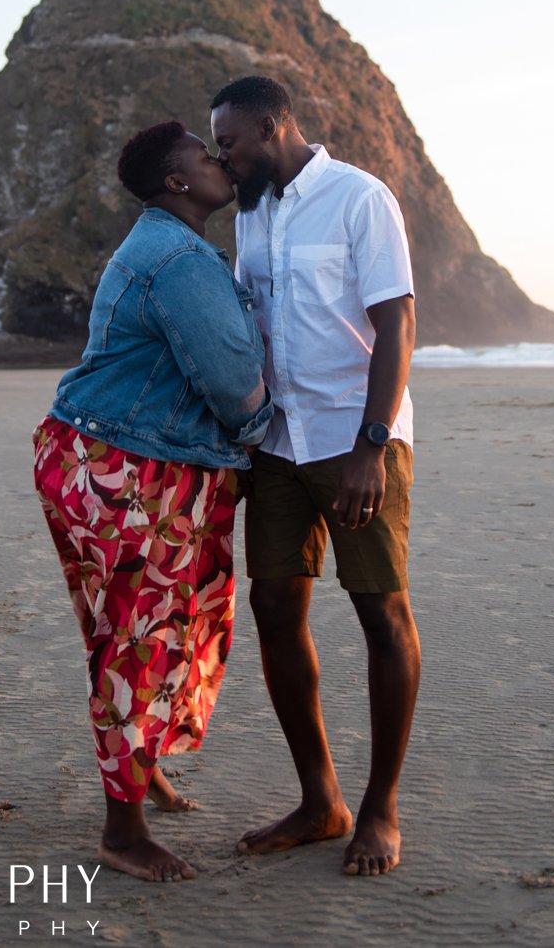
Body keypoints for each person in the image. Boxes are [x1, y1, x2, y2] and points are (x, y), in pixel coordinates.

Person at [33, 121, 272, 883]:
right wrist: (267, 438)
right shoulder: (177, 260)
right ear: (178, 182)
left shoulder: (161, 244)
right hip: (131, 469)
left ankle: (140, 770)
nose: (219, 161)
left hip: (103, 455)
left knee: (136, 630)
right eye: (205, 157)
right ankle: (121, 832)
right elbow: (232, 380)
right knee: (138, 639)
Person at [209, 75, 420, 878]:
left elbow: (396, 321)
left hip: (354, 440)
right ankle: (319, 799)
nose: (224, 159)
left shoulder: (360, 199)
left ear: (271, 125)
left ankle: (379, 808)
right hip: (277, 444)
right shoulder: (251, 215)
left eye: (229, 142)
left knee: (380, 612)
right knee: (271, 605)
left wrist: (370, 446)